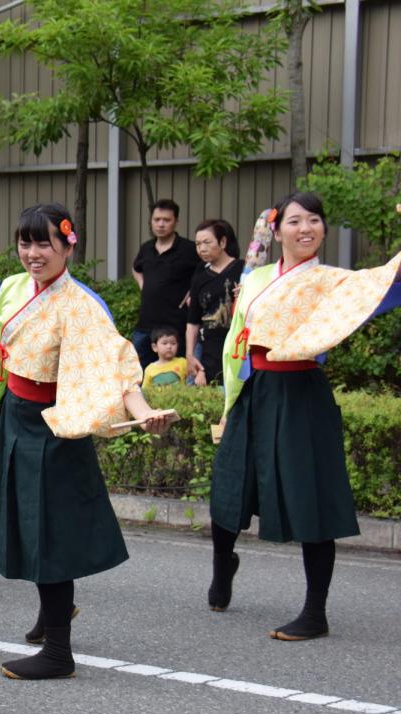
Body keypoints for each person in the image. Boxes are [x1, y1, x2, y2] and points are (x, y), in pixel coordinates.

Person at [0, 203, 176, 680]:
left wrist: (144, 414)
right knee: (29, 525)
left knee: (50, 533)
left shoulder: (80, 304)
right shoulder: (12, 287)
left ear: (68, 244)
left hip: (53, 428)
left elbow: (116, 367)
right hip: (15, 418)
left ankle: (59, 652)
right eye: (26, 242)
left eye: (45, 243)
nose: (33, 253)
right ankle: (51, 615)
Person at [208, 192, 401, 641]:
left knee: (311, 495)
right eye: (295, 221)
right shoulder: (254, 278)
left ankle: (316, 611)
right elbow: (237, 336)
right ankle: (223, 565)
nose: (305, 228)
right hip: (255, 388)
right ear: (277, 231)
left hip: (302, 393)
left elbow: (387, 282)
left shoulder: (335, 280)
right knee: (230, 483)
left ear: (323, 230)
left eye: (314, 220)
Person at [131, 199, 204, 369]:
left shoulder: (189, 249)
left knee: (176, 375)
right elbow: (136, 268)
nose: (161, 224)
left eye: (166, 220)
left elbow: (207, 269)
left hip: (175, 326)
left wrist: (194, 292)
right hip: (146, 326)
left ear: (176, 221)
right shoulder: (146, 248)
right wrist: (143, 284)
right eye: (157, 220)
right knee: (137, 374)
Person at [186, 219, 243, 387]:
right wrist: (190, 354)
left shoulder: (244, 270)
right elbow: (193, 322)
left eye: (206, 242)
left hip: (239, 347)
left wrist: (248, 293)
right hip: (209, 349)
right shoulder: (200, 277)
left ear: (223, 242)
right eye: (197, 244)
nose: (201, 248)